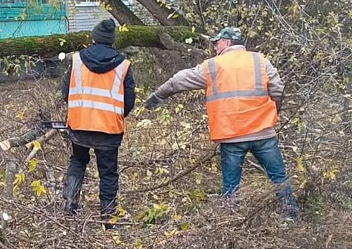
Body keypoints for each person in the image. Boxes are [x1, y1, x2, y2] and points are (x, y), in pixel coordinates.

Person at [144, 26, 299, 219]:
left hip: (232, 135)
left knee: (231, 185)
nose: (215, 47)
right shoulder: (261, 61)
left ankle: (231, 219)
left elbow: (179, 80)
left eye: (217, 43)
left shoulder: (213, 65)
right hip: (263, 133)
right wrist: (273, 113)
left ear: (227, 43)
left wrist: (158, 95)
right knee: (279, 177)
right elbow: (278, 90)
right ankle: (291, 215)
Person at [61, 18, 136, 228]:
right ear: (113, 41)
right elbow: (129, 101)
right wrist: (115, 116)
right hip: (108, 129)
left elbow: (65, 93)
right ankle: (108, 216)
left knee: (78, 160)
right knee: (108, 171)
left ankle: (69, 203)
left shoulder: (76, 60)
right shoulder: (123, 65)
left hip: (79, 125)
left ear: (93, 38)